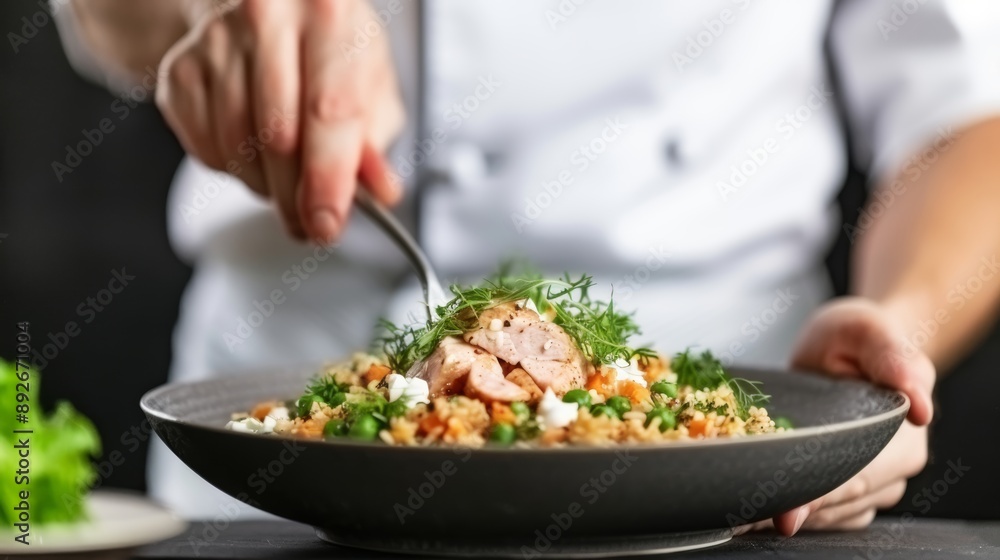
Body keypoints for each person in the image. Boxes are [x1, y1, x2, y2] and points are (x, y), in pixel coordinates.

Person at [56, 0, 1000, 535]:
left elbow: (968, 116)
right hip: (276, 471)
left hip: (721, 478)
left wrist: (899, 329)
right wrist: (208, 14)